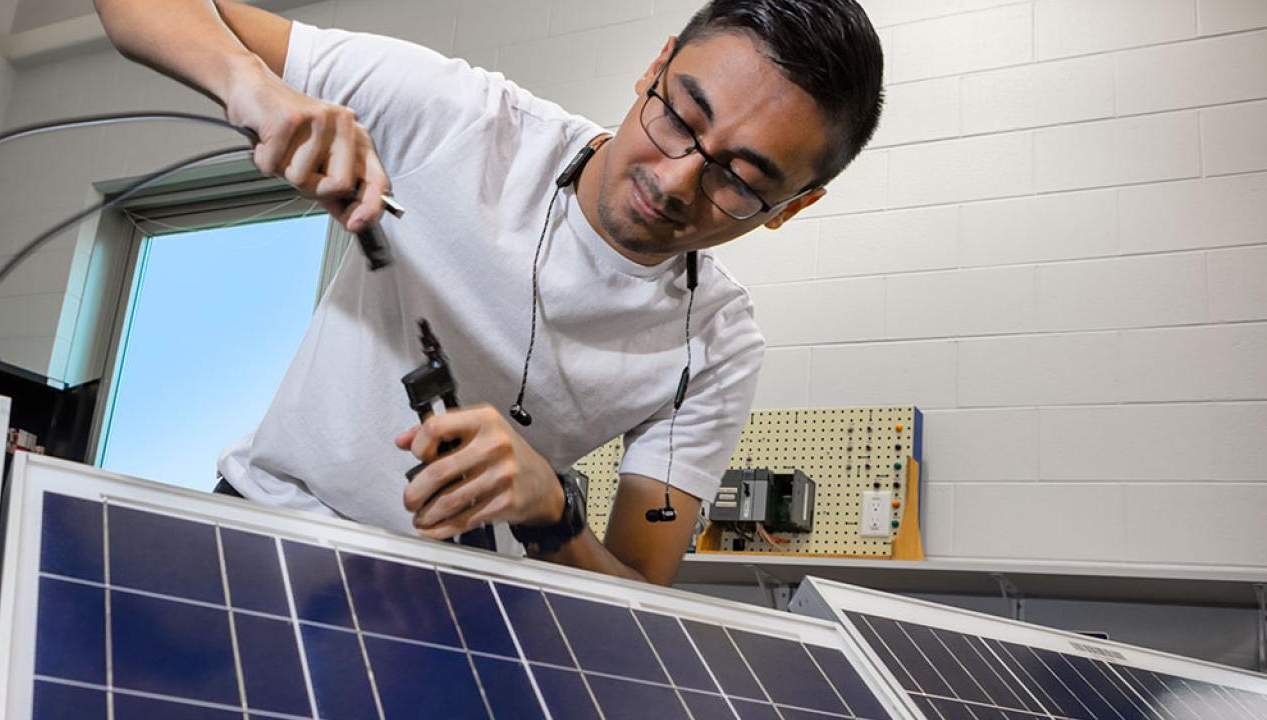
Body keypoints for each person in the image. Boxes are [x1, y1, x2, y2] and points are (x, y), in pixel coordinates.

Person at [93, 0, 883, 585]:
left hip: (455, 595)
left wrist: (551, 515)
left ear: (795, 207)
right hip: (258, 529)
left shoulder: (716, 346)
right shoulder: (462, 118)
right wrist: (252, 85)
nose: (675, 180)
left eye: (741, 180)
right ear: (655, 65)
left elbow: (641, 592)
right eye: (679, 115)